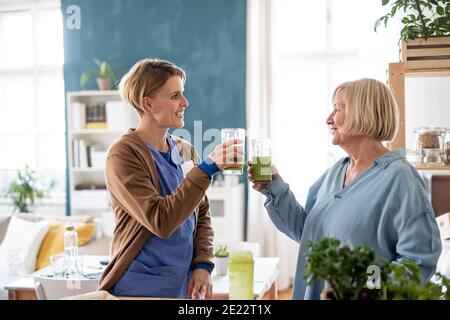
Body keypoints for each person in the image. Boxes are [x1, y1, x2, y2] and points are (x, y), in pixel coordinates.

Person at [248, 78, 442, 300]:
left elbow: (418, 259)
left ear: (363, 113)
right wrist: (273, 185)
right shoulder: (336, 172)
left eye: (337, 109)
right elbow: (307, 232)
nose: (328, 119)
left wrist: (365, 291)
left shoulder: (400, 178)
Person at [98, 58, 243, 299]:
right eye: (175, 96)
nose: (185, 103)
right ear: (148, 104)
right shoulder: (123, 154)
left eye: (183, 94)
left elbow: (202, 213)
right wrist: (207, 168)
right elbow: (160, 220)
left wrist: (203, 265)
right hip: (140, 287)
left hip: (183, 284)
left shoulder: (185, 149)